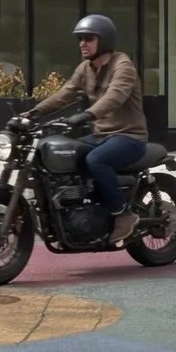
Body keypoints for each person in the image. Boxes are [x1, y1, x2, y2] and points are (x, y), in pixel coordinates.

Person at [23, 13, 148, 246]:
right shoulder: (85, 68)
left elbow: (114, 97)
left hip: (129, 136)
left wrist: (87, 114)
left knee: (96, 161)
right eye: (80, 38)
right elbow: (65, 93)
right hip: (101, 136)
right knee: (66, 155)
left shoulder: (123, 66)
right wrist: (33, 113)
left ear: (105, 40)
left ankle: (123, 214)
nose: (83, 43)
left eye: (89, 38)